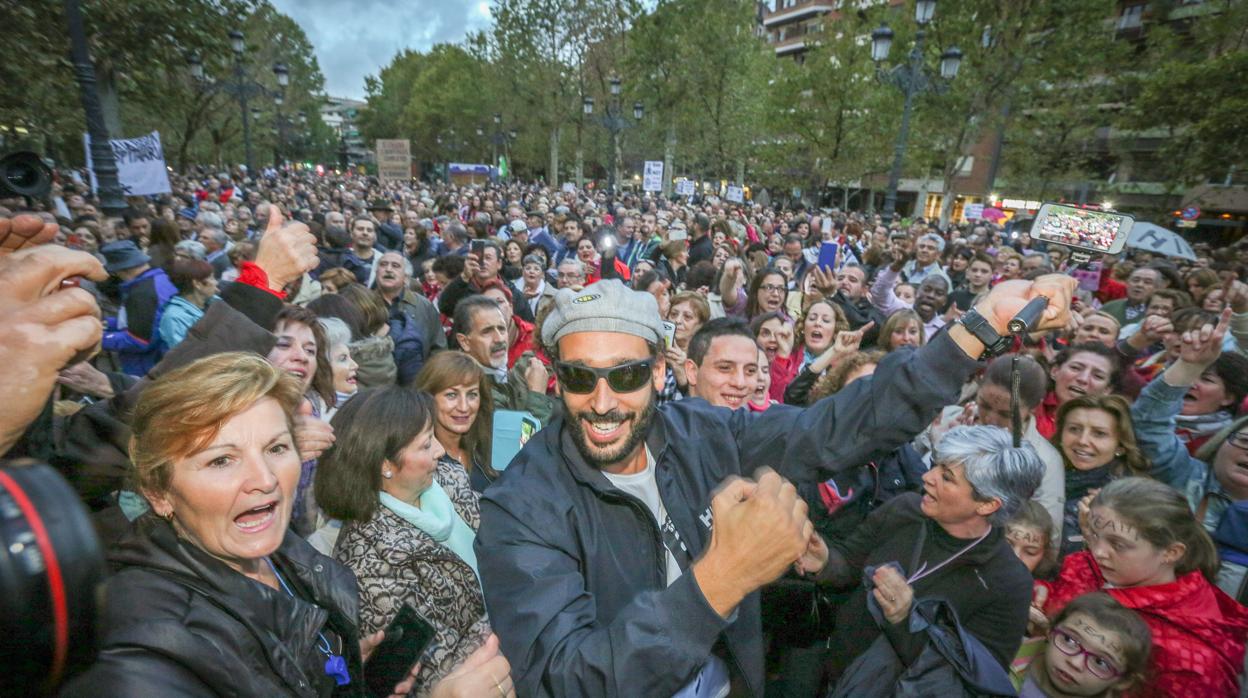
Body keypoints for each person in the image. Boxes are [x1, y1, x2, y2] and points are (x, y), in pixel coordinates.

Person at [474, 274, 1076, 696]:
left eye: (626, 374)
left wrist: (974, 331)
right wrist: (722, 579)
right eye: (581, 377)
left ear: (660, 372)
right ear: (555, 380)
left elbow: (832, 430)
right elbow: (568, 681)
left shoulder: (700, 433)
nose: (602, 402)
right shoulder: (521, 507)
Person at [62, 353, 429, 696]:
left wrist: (337, 675)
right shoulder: (139, 647)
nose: (265, 479)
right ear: (159, 493)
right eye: (221, 460)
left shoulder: (284, 553)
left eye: (276, 449)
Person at [808, 426, 1045, 687]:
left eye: (947, 477)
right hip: (831, 677)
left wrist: (905, 622)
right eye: (935, 465)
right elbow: (849, 565)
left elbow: (973, 681)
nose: (928, 477)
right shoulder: (905, 509)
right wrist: (824, 562)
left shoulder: (1008, 582)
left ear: (987, 503)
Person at [316, 386, 491, 694]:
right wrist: (518, 598)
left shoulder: (445, 480)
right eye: (426, 445)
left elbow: (511, 528)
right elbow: (435, 671)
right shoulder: (368, 564)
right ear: (384, 464)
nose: (440, 451)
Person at [1039, 477, 1248, 698]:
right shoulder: (1098, 567)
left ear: (1171, 553)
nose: (1098, 551)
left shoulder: (1191, 665)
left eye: (1118, 544)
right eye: (1093, 534)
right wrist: (1041, 594)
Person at [1130, 309, 1248, 601]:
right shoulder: (1186, 476)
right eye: (1245, 441)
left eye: (1206, 380)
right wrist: (1187, 367)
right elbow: (1148, 425)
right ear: (1223, 442)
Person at [925, 355, 1066, 543]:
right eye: (984, 405)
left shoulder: (1044, 460)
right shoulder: (950, 420)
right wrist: (937, 443)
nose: (991, 419)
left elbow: (1047, 536)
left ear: (1033, 408)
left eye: (1006, 414)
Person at [1018, 593, 1152, 697]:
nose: (1075, 663)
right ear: (1050, 631)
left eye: (1100, 662)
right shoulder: (1011, 651)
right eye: (1069, 640)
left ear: (1124, 681)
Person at [452, 294, 554, 425]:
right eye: (487, 331)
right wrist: (537, 396)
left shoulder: (504, 373)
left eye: (502, 328)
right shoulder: (469, 391)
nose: (499, 339)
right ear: (464, 342)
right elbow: (519, 443)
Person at [414, 351, 498, 492]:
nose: (464, 407)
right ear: (428, 397)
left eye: (472, 395)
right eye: (451, 395)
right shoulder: (418, 460)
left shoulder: (489, 447)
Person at [99, 239, 177, 375]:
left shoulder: (142, 293)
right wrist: (112, 324)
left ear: (122, 269)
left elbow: (139, 341)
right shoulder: (161, 279)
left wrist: (100, 338)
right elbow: (151, 321)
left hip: (146, 368)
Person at [1035, 344, 1121, 439]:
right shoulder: (1027, 401)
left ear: (1107, 390)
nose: (1083, 379)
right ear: (1055, 371)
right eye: (1075, 368)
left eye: (1098, 376)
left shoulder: (1107, 427)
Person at [374, 250, 447, 362]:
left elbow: (438, 347)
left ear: (406, 277)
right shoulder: (365, 303)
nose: (388, 269)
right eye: (383, 264)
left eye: (395, 266)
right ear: (376, 272)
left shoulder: (423, 305)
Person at [158, 257, 218, 350]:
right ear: (197, 284)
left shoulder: (216, 303)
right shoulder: (174, 318)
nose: (216, 282)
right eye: (212, 278)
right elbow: (186, 355)